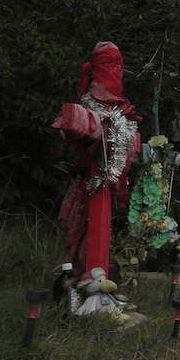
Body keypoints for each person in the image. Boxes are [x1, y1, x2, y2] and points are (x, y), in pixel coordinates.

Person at [52, 42, 141, 281]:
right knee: (84, 227)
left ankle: (95, 276)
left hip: (104, 182)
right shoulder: (90, 114)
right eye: (109, 64)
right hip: (91, 180)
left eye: (117, 65)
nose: (114, 70)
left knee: (101, 230)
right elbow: (74, 122)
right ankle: (85, 279)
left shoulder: (120, 119)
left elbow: (130, 144)